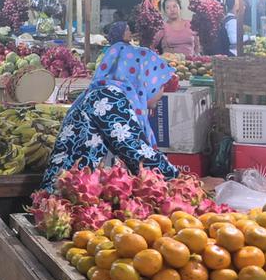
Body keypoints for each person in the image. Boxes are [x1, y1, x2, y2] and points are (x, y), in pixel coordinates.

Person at [41, 42, 181, 191]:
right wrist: (180, 180)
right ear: (144, 80)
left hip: (85, 194)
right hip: (70, 197)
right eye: (160, 84)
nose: (162, 91)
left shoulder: (111, 95)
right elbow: (135, 151)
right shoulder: (108, 97)